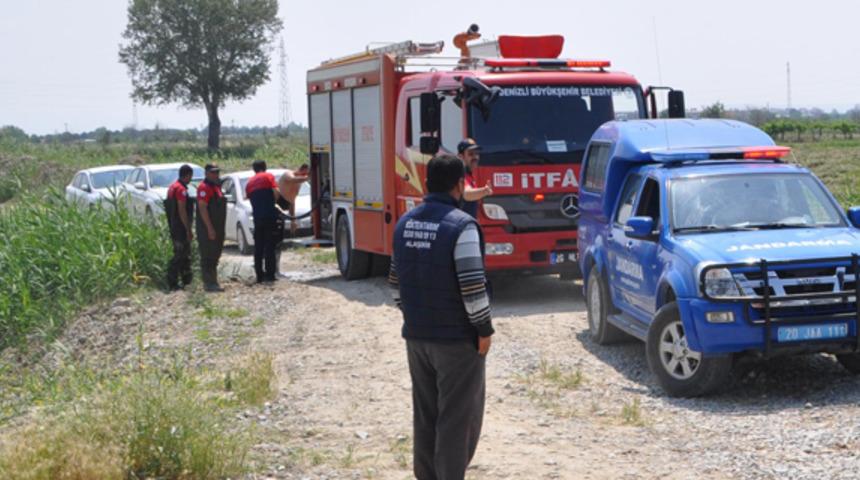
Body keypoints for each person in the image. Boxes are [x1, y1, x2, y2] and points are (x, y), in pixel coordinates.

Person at [389, 154, 494, 480]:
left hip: (417, 337)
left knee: (426, 414)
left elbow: (395, 283)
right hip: (457, 342)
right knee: (457, 420)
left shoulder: (406, 222)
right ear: (460, 185)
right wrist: (484, 330)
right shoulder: (462, 225)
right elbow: (473, 286)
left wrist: (413, 316)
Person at [247, 159, 282, 283]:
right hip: (269, 216)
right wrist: (274, 203)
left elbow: (250, 199)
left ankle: (259, 275)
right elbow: (276, 192)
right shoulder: (268, 177)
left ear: (254, 169)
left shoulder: (249, 183)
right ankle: (270, 275)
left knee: (259, 247)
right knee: (270, 246)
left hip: (258, 218)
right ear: (265, 167)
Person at [196, 163, 227, 292]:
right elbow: (202, 208)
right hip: (207, 228)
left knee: (215, 254)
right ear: (206, 173)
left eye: (217, 172)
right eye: (213, 172)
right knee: (208, 255)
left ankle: (213, 281)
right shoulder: (204, 187)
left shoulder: (216, 187)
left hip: (218, 227)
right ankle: (209, 283)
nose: (216, 174)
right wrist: (209, 228)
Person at [164, 164, 194, 290]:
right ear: (187, 175)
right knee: (180, 254)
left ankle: (186, 280)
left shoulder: (172, 187)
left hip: (173, 225)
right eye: (190, 176)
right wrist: (188, 229)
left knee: (183, 253)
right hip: (180, 227)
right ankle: (172, 281)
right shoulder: (181, 189)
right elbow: (182, 210)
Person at [457, 138, 493, 218]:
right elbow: (466, 194)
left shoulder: (469, 173)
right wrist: (484, 191)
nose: (475, 157)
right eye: (470, 154)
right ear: (461, 157)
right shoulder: (461, 174)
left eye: (476, 154)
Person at [277, 163, 310, 237]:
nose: (304, 176)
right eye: (304, 173)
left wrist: (293, 220)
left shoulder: (299, 183)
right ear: (300, 170)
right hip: (278, 200)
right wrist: (307, 177)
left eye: (306, 175)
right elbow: (292, 179)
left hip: (287, 202)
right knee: (276, 226)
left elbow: (292, 200)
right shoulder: (288, 174)